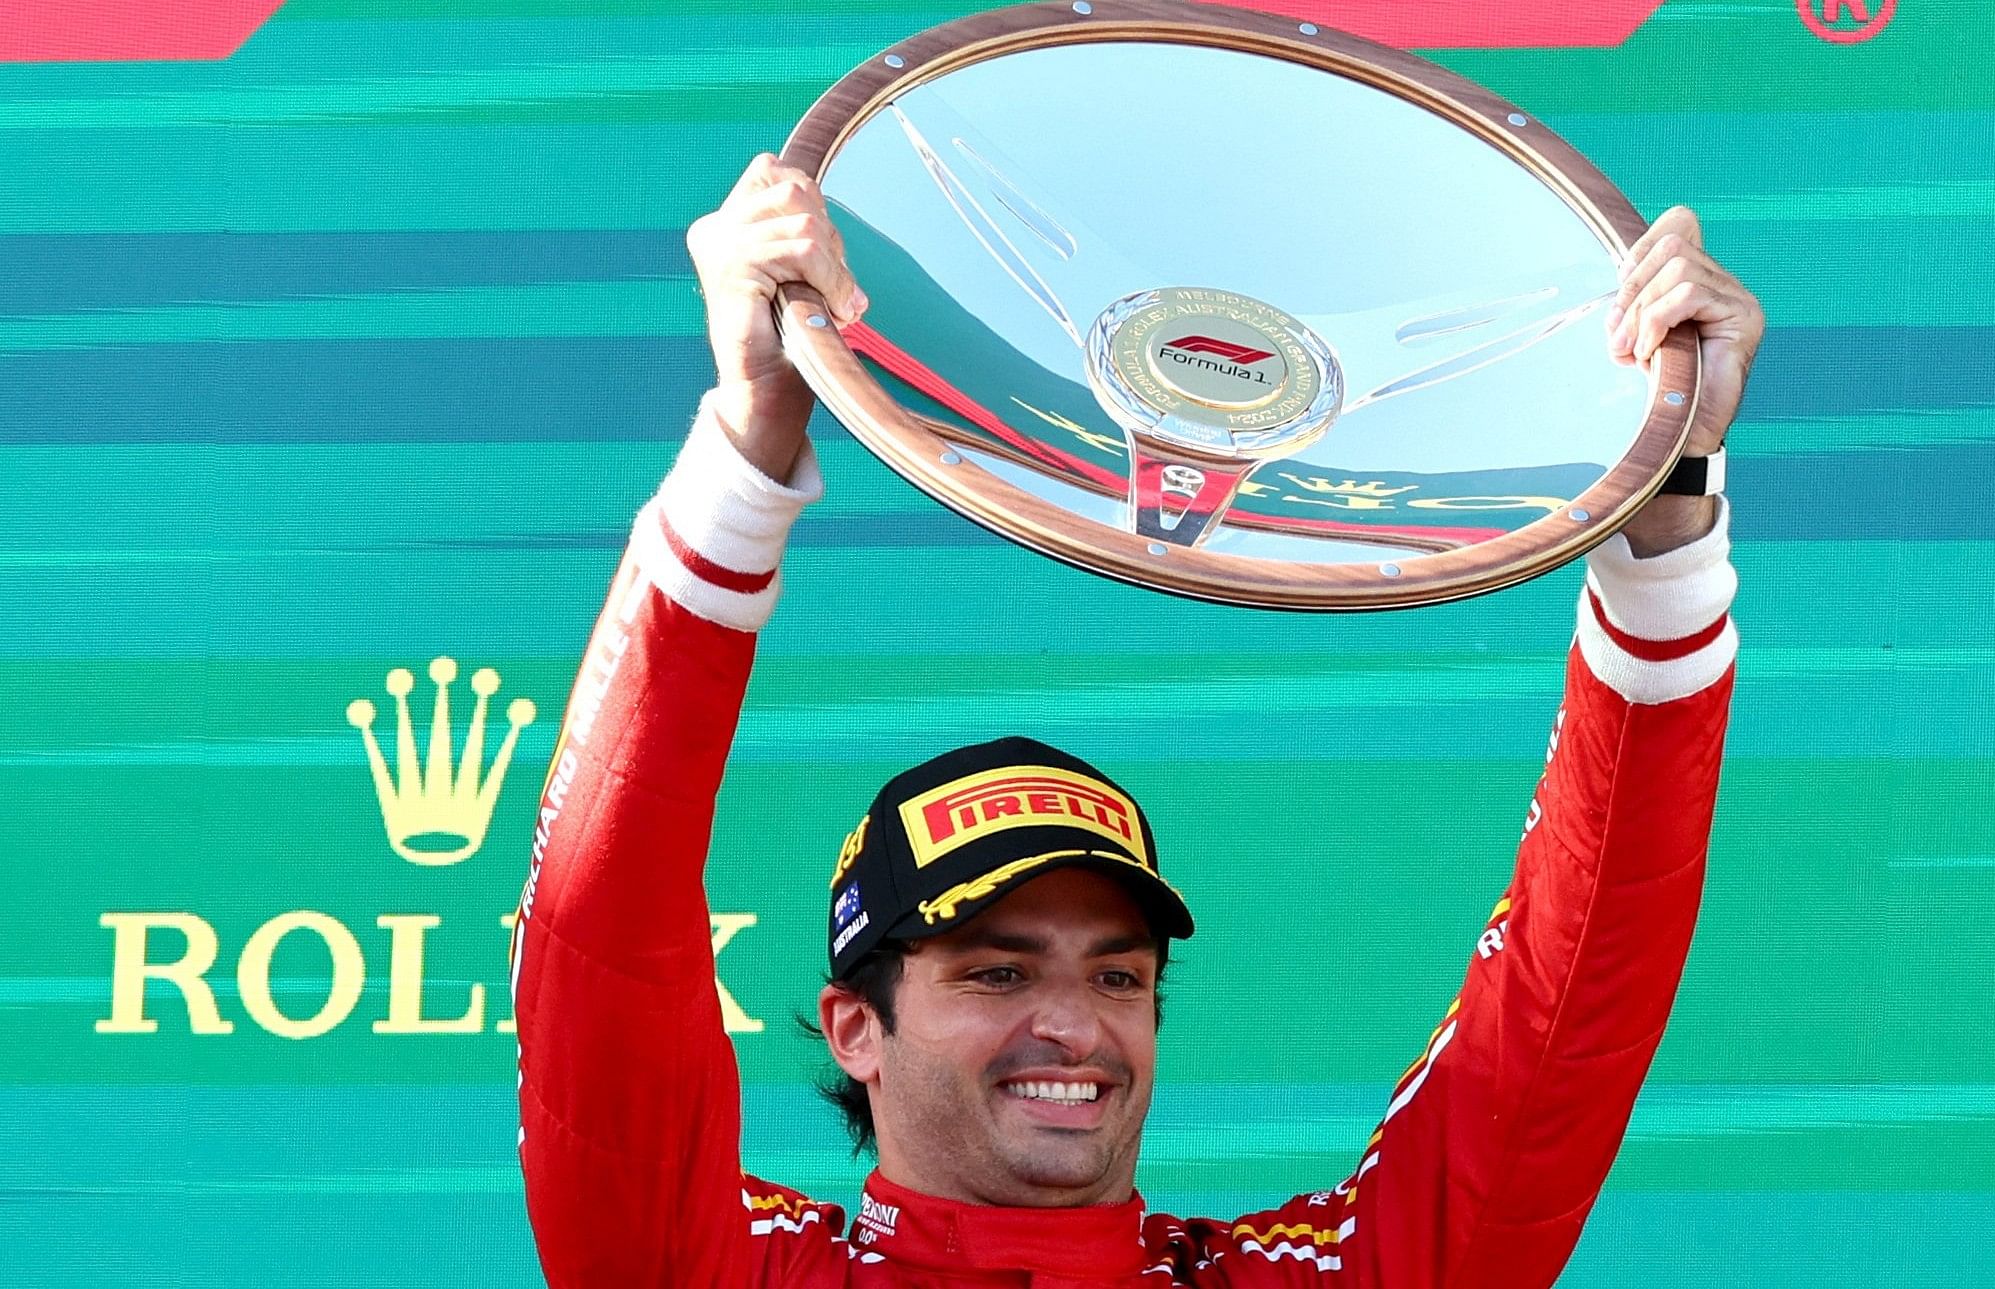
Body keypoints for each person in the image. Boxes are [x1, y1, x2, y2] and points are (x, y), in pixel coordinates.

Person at [511, 152, 1765, 1288]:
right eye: (997, 967)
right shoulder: (714, 1270)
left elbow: (1567, 1003)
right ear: (856, 1028)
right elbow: (601, 933)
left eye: (1119, 974)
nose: (1075, 1024)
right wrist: (751, 438)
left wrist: (1663, 524)